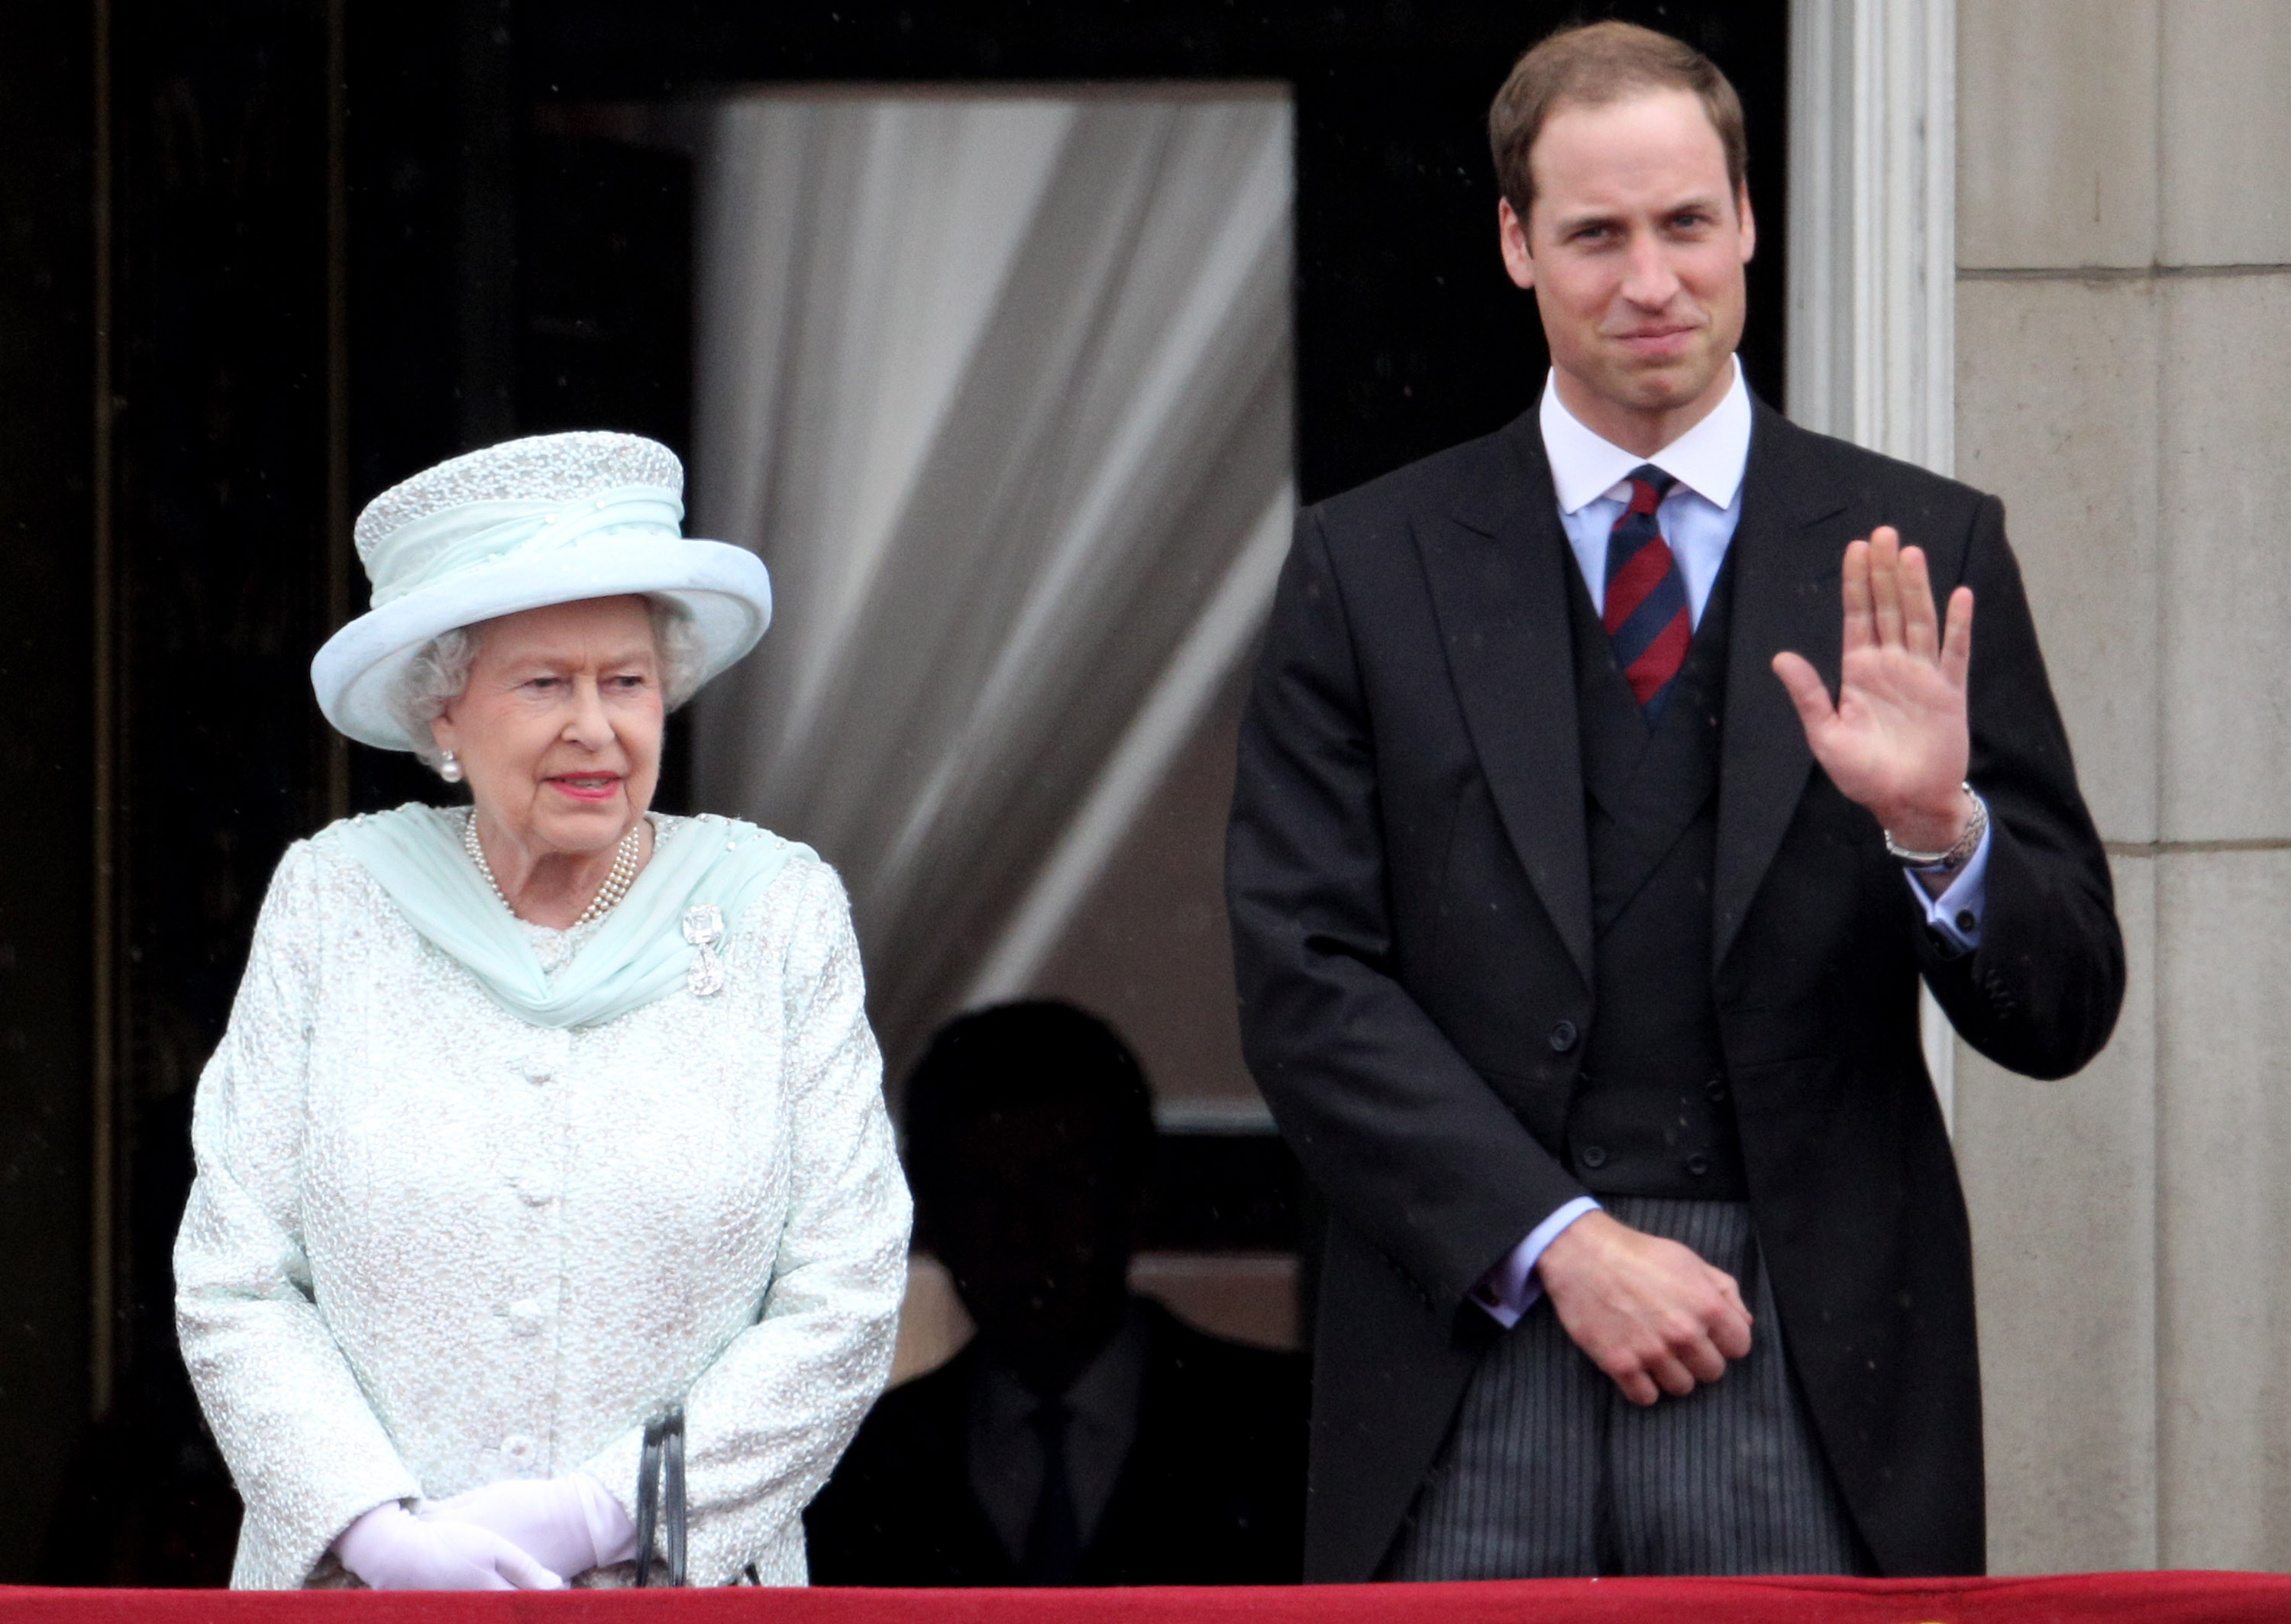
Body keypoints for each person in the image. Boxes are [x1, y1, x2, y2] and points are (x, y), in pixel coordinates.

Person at [1224, 21, 2124, 1584]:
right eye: (1597, 233)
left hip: (1813, 1348)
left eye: (1688, 223)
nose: (1652, 279)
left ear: (1750, 220)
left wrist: (1940, 829)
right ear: (1515, 243)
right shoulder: (1370, 566)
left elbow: (2064, 1004)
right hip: (1476, 1327)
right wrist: (1557, 1239)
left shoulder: (1921, 547)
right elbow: (1303, 981)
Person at [173, 431, 911, 1590]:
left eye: (626, 680)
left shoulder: (778, 913)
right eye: (542, 682)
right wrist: (379, 1535)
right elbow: (236, 1276)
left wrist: (605, 1513)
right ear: (444, 716)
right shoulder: (335, 902)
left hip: (679, 1602)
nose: (595, 726)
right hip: (361, 1608)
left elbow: (849, 1294)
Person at [804, 1001, 1307, 1585]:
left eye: (1061, 1185)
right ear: (931, 1216)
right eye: (982, 1192)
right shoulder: (859, 1469)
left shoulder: (1288, 1434)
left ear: (1135, 1195)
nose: (1022, 1230)